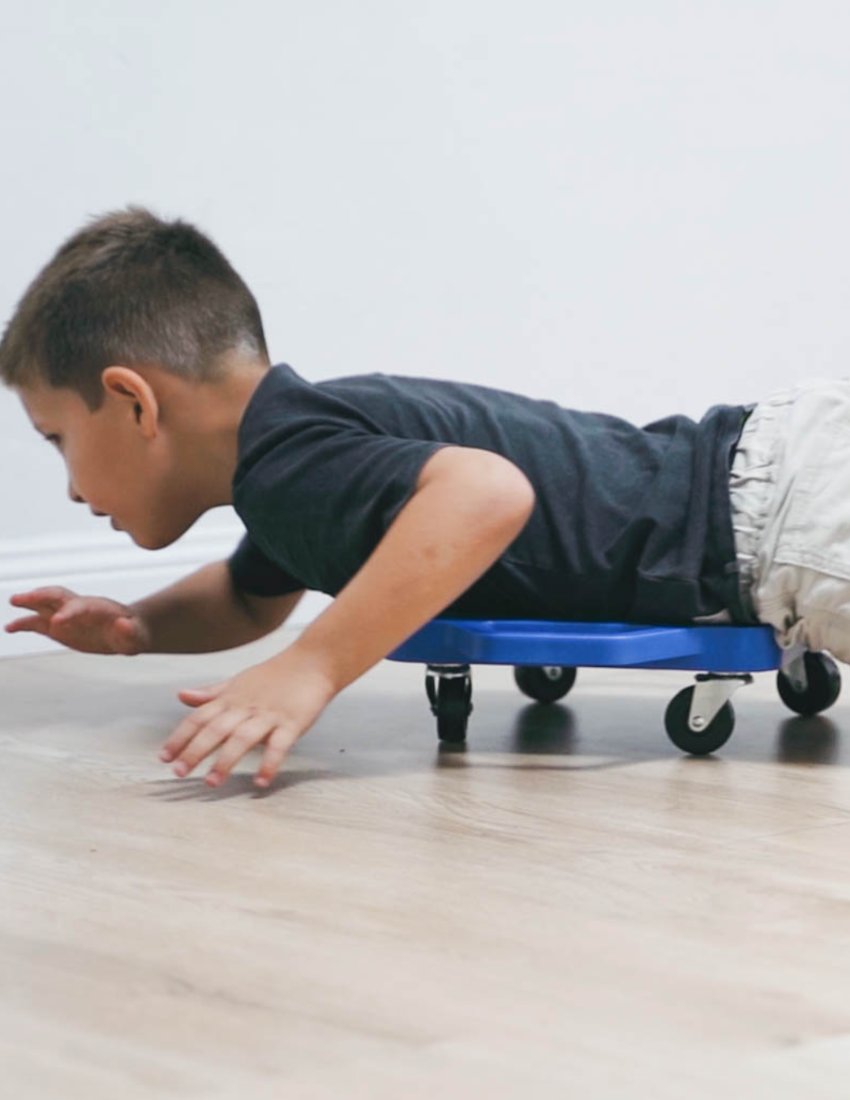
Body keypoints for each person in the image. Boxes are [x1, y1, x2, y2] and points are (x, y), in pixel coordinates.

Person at [0, 205, 836, 792]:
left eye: (58, 439)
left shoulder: (292, 467)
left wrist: (311, 668)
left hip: (773, 521)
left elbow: (484, 492)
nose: (71, 485)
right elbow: (246, 596)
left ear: (136, 402)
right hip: (768, 474)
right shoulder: (298, 463)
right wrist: (137, 627)